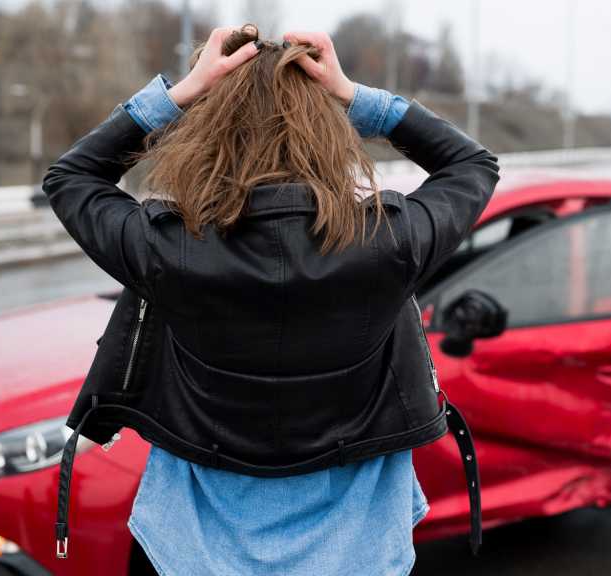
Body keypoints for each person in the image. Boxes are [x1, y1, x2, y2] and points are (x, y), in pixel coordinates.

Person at [43, 24, 498, 576]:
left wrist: (182, 93)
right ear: (329, 133)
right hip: (360, 552)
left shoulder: (166, 247)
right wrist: (354, 96)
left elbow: (71, 176)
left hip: (192, 552)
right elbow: (473, 165)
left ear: (209, 132)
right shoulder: (389, 241)